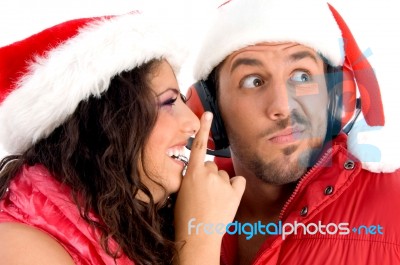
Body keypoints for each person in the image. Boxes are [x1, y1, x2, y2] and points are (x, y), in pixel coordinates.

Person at [0, 11, 246, 265]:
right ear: (107, 123)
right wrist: (199, 241)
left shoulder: (134, 227)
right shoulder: (18, 248)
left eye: (181, 99)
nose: (193, 122)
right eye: (169, 101)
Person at [186, 0, 400, 264]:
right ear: (211, 108)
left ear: (335, 97)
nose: (282, 107)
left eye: (302, 77)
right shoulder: (168, 215)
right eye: (253, 81)